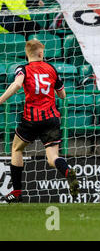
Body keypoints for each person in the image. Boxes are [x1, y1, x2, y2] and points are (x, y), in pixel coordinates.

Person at [0, 39, 79, 203]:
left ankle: (17, 192)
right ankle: (67, 171)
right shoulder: (51, 69)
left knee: (16, 148)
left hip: (31, 119)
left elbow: (16, 85)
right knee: (52, 158)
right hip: (51, 119)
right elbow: (63, 95)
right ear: (41, 53)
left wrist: (0, 100)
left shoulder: (22, 69)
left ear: (27, 53)